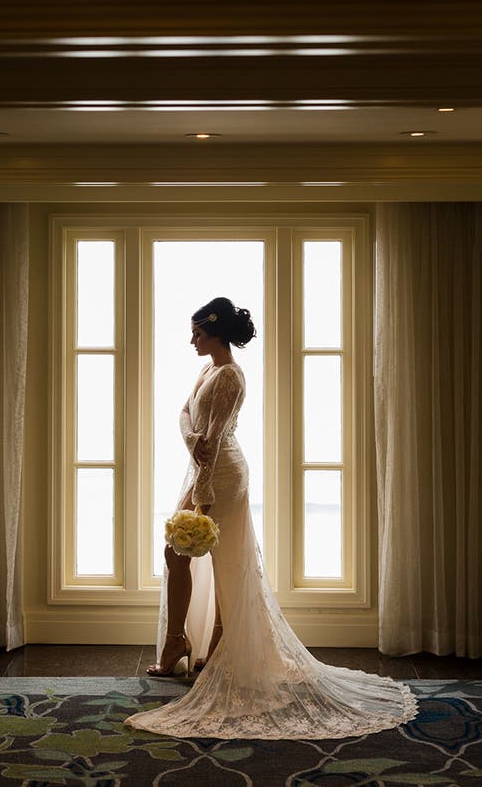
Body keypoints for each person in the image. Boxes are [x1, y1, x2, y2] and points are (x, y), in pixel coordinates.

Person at [125, 297, 417, 739]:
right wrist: (190, 441)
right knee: (178, 554)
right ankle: (180, 643)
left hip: (220, 475)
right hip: (202, 466)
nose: (191, 341)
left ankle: (202, 645)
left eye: (197, 334)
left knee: (207, 556)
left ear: (216, 333)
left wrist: (200, 497)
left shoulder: (230, 377)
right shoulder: (208, 370)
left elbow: (216, 442)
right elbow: (185, 416)